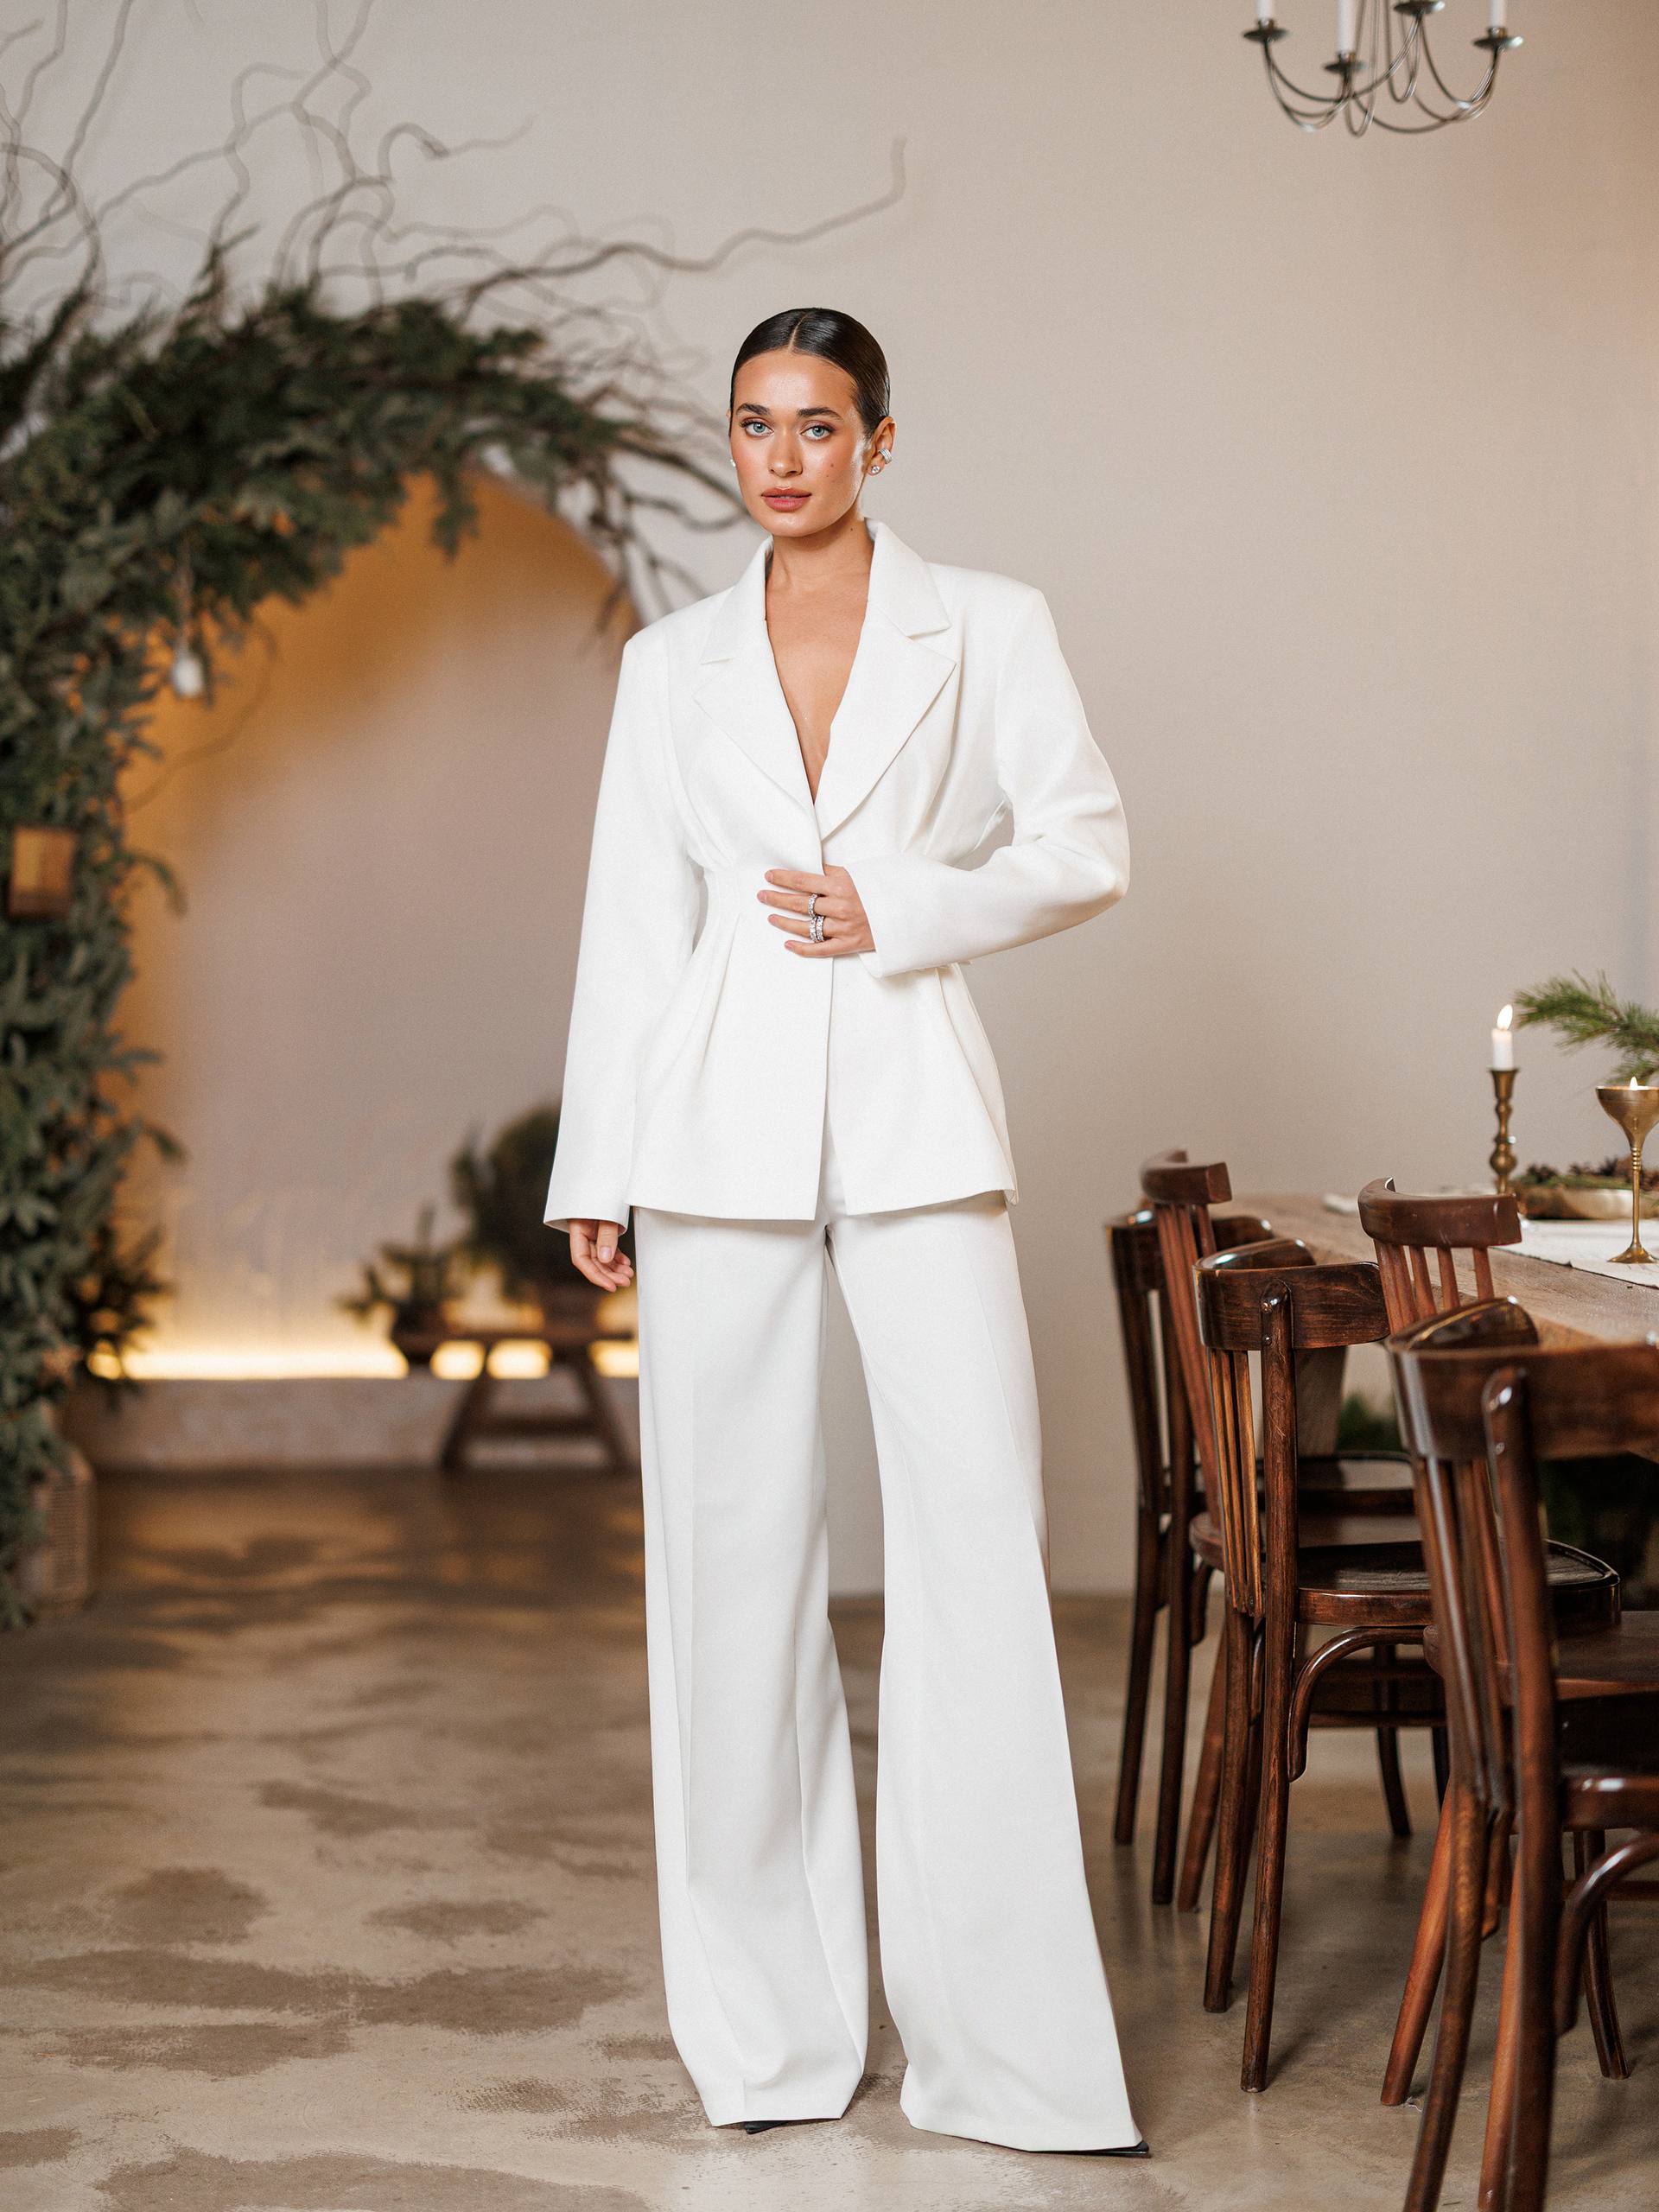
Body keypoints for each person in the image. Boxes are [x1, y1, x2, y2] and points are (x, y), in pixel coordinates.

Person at [543, 307, 1145, 2157]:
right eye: (753, 424)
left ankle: (1008, 2051)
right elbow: (635, 918)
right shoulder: (672, 665)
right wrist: (598, 1164)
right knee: (726, 1585)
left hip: (914, 1118)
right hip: (710, 1136)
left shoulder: (996, 622)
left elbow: (1087, 841)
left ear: (883, 437)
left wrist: (897, 900)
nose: (782, 453)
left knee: (974, 1563)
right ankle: (769, 2037)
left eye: (817, 422)